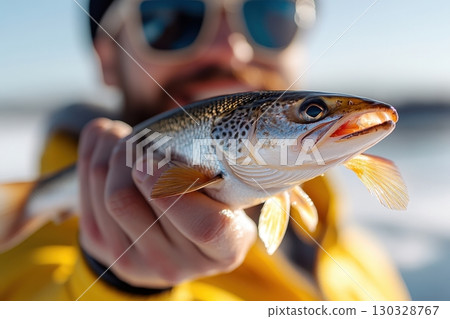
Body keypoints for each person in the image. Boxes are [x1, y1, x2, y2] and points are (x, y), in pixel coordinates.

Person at [0, 0, 409, 300]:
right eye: (173, 16)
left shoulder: (367, 261)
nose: (230, 49)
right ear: (108, 59)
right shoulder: (25, 247)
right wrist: (117, 287)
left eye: (272, 15)